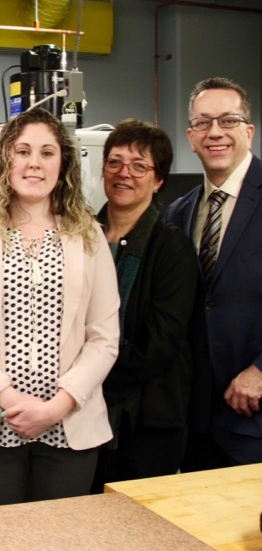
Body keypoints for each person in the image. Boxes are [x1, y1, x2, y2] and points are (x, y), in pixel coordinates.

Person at [0, 107, 119, 506]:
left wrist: (57, 406)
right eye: (23, 151)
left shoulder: (88, 234)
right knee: (0, 548)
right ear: (6, 160)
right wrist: (10, 399)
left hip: (69, 424)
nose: (34, 163)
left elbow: (104, 337)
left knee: (61, 549)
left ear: (63, 164)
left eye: (47, 153)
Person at [91, 120, 198, 488]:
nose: (125, 174)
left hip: (147, 420)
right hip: (82, 414)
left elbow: (161, 342)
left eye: (139, 165)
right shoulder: (80, 236)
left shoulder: (173, 247)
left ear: (158, 180)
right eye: (115, 162)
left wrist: (90, 378)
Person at [166, 77, 262, 466]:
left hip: (255, 411)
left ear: (249, 131)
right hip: (198, 419)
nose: (215, 132)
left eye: (228, 120)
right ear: (190, 136)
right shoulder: (179, 212)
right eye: (203, 123)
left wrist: (261, 370)